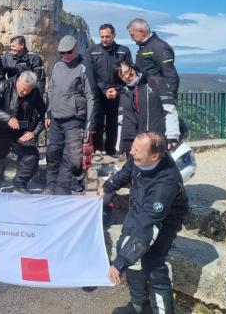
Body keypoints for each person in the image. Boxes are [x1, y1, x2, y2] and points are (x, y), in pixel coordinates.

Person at [102, 131, 189, 314]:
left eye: (137, 151)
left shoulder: (166, 182)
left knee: (152, 263)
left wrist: (119, 263)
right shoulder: (139, 158)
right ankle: (139, 305)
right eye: (132, 148)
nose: (131, 153)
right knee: (124, 246)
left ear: (154, 156)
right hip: (140, 207)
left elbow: (147, 227)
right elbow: (127, 171)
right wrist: (108, 187)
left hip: (165, 219)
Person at [0, 71, 46, 193]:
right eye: (23, 89)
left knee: (32, 155)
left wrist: (34, 132)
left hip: (21, 132)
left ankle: (19, 183)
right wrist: (7, 118)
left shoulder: (35, 92)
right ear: (18, 81)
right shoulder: (5, 85)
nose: (24, 93)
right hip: (0, 130)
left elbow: (43, 114)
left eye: (28, 91)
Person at [44, 35, 95, 195]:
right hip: (56, 118)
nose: (65, 55)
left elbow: (90, 96)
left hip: (75, 119)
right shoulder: (57, 65)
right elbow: (51, 90)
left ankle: (67, 188)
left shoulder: (83, 67)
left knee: (72, 157)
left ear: (76, 49)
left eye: (69, 52)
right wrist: (49, 113)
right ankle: (51, 186)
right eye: (62, 52)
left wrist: (89, 123)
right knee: (53, 153)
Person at [127, 19, 180, 143]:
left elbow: (170, 74)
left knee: (157, 134)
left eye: (132, 35)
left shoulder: (159, 47)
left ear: (141, 31)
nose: (132, 38)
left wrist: (169, 98)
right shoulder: (144, 47)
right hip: (145, 97)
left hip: (157, 97)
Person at [86, 24, 132, 155]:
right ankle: (97, 150)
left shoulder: (123, 51)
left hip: (117, 94)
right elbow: (90, 74)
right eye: (102, 37)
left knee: (113, 124)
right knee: (97, 123)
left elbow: (128, 73)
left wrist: (117, 90)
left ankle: (111, 151)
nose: (104, 39)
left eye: (107, 36)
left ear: (114, 35)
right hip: (98, 95)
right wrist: (103, 90)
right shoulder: (92, 51)